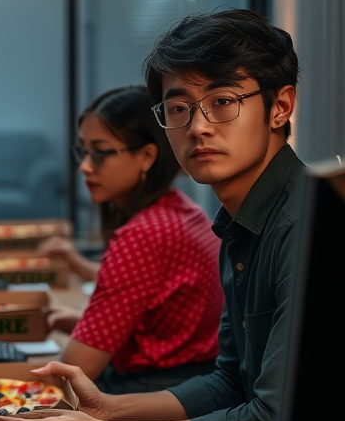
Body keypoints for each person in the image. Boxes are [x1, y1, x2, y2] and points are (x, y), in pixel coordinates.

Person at [0, 9, 301, 421]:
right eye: (179, 109)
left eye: (223, 101)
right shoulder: (235, 224)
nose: (198, 127)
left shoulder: (304, 228)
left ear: (280, 107)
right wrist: (108, 408)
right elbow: (230, 383)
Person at [38, 86, 223, 393]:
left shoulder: (143, 236)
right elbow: (149, 293)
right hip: (192, 382)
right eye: (83, 151)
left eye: (100, 152)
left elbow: (71, 373)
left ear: (147, 156)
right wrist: (82, 323)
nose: (84, 166)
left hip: (151, 389)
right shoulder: (180, 209)